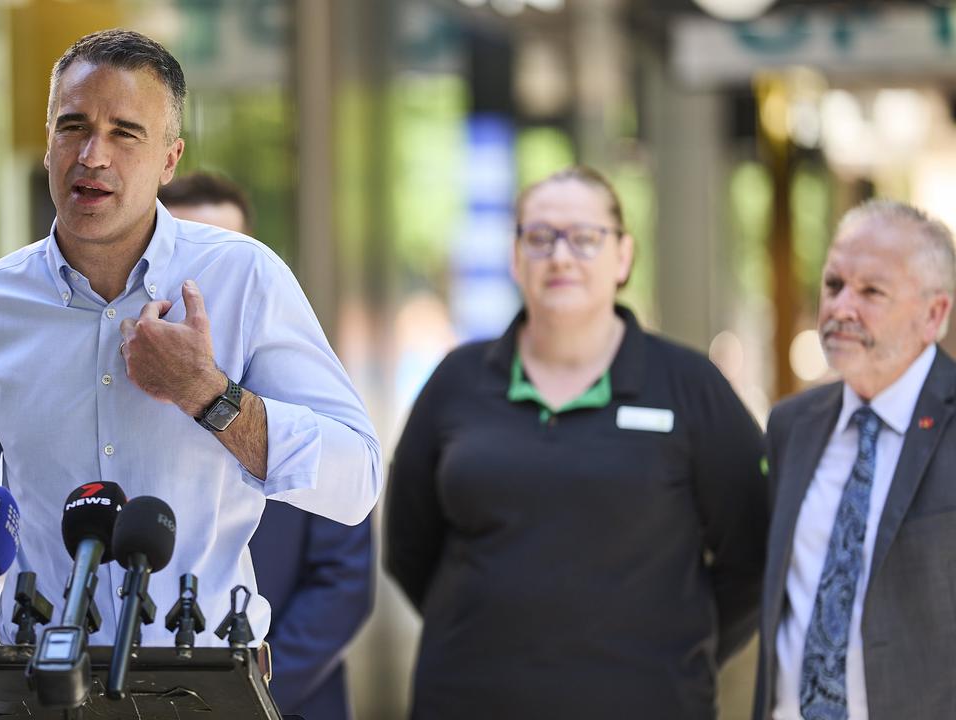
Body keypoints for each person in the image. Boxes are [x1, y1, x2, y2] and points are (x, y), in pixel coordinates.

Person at [0, 29, 381, 657]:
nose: (92, 156)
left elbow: (356, 481)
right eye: (72, 127)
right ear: (47, 147)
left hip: (207, 678)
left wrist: (207, 393)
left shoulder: (246, 279)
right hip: (38, 681)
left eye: (125, 133)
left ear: (170, 159)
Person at [385, 166, 768, 719]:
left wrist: (685, 646)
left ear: (624, 256)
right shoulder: (457, 381)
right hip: (468, 698)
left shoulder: (691, 387)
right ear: (516, 258)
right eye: (540, 238)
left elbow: (752, 554)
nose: (561, 257)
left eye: (586, 238)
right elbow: (408, 545)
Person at [160, 171, 373, 720]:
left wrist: (248, 695)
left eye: (227, 256)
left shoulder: (304, 398)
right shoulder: (134, 397)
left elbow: (344, 579)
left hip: (290, 697)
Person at [754, 200, 956, 720]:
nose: (842, 308)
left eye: (871, 292)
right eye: (833, 285)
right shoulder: (791, 426)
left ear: (934, 314)